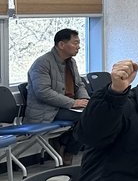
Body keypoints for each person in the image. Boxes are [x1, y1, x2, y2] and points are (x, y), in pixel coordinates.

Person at [26, 27, 91, 163]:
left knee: (94, 111)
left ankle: (63, 142)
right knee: (89, 116)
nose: (78, 47)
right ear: (61, 45)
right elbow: (43, 92)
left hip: (66, 107)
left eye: (79, 43)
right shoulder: (42, 63)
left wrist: (84, 99)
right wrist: (73, 103)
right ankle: (69, 151)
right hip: (47, 110)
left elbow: (79, 84)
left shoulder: (71, 62)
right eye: (75, 43)